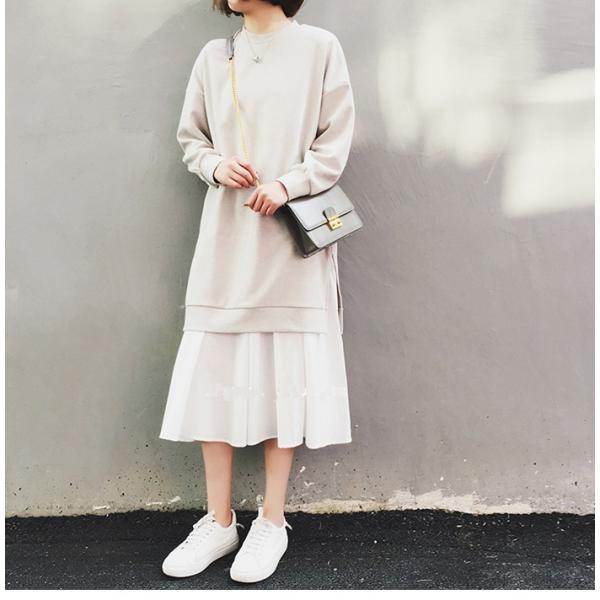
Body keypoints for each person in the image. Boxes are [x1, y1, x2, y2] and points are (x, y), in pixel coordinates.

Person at [159, 0, 356, 584]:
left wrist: (288, 184)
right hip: (227, 238)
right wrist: (215, 166)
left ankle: (272, 521)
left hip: (290, 243)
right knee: (213, 375)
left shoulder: (320, 49)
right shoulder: (214, 56)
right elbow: (191, 138)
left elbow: (334, 142)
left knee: (281, 377)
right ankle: (219, 522)